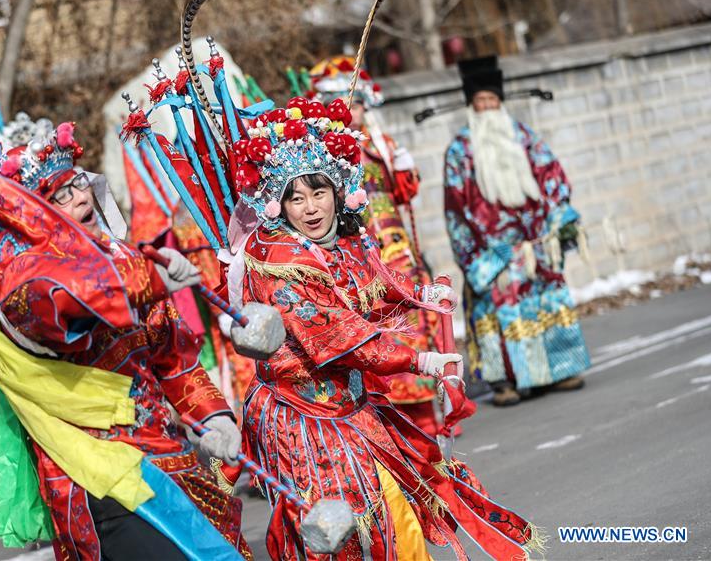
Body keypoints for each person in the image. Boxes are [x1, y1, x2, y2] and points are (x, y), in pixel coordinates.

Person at [0, 93, 252, 561]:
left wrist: (214, 417)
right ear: (34, 216)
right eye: (61, 195)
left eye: (79, 185)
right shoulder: (23, 278)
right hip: (94, 470)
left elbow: (173, 358)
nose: (81, 198)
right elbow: (62, 301)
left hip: (167, 454)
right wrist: (147, 280)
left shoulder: (126, 255)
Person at [231, 97, 543, 560]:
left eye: (320, 193)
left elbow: (372, 276)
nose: (311, 208)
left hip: (351, 405)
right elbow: (335, 335)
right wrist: (419, 359)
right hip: (305, 416)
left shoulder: (341, 238)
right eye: (296, 198)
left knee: (397, 515)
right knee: (349, 532)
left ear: (339, 192)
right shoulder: (281, 263)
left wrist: (420, 295)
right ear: (279, 205)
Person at [444, 56, 591, 406]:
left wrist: (559, 223)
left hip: (533, 246)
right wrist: (474, 255)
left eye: (492, 101)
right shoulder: (460, 150)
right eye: (480, 102)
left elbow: (553, 177)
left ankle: (561, 369)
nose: (487, 108)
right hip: (493, 251)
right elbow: (456, 207)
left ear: (501, 102)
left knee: (546, 301)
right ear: (471, 106)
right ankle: (504, 381)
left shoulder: (525, 138)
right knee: (495, 311)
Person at [309, 56, 442, 429]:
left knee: (415, 320)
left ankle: (428, 407)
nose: (360, 112)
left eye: (364, 105)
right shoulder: (329, 152)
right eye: (352, 105)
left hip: (398, 246)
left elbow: (403, 193)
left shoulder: (381, 145)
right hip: (363, 254)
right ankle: (396, 412)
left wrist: (403, 168)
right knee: (379, 326)